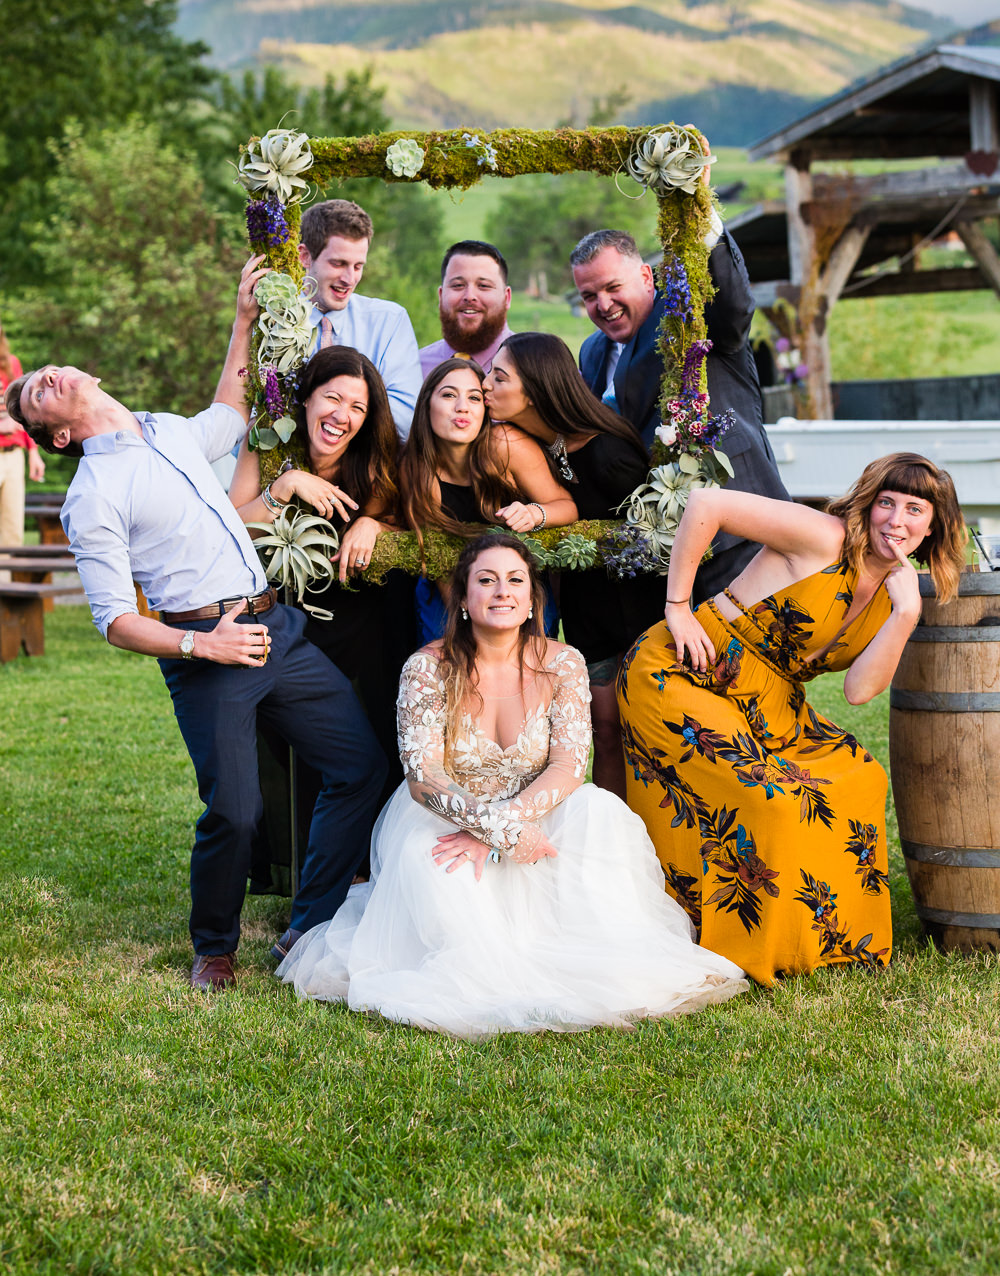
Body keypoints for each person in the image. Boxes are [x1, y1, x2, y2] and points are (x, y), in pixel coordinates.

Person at [5, 259, 388, 993]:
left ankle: (309, 923)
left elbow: (232, 412)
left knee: (361, 768)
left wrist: (243, 321)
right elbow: (115, 620)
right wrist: (200, 644)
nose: (47, 375)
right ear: (54, 437)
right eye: (33, 392)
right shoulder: (94, 492)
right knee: (237, 814)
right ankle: (214, 948)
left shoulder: (167, 430)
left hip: (278, 631)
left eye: (47, 370)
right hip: (208, 653)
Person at [276, 535, 747, 1036]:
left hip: (536, 809)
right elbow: (423, 778)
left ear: (530, 600)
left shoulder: (563, 662)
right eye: (486, 580)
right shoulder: (426, 668)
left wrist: (500, 828)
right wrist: (494, 831)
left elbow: (569, 766)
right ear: (462, 599)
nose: (502, 591)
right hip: (447, 812)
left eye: (515, 580)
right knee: (430, 864)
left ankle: (591, 950)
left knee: (601, 816)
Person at [616, 453, 967, 986]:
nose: (896, 519)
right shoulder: (823, 537)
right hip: (689, 667)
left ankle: (828, 940)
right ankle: (737, 944)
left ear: (933, 525)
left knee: (860, 778)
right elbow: (707, 503)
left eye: (913, 509)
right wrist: (678, 606)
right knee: (768, 796)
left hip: (773, 702)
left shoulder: (898, 590)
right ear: (867, 506)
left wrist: (905, 615)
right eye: (886, 503)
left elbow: (858, 690)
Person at [230, 344, 416, 817]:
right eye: (332, 398)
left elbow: (415, 527)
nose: (342, 416)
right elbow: (228, 528)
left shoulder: (378, 462)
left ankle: (361, 866)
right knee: (290, 754)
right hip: (289, 626)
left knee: (370, 745)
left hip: (366, 629)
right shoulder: (268, 444)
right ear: (307, 399)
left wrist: (374, 524)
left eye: (358, 407)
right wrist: (281, 490)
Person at [572, 227, 789, 601]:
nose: (603, 305)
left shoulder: (688, 314)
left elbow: (733, 310)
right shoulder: (591, 352)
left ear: (645, 276)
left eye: (612, 288)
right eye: (589, 296)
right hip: (660, 556)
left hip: (739, 533)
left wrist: (703, 222)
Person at [481, 332, 653, 797]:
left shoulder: (611, 453)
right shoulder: (533, 446)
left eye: (499, 376)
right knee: (604, 734)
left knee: (644, 735)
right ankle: (616, 840)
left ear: (535, 390)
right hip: (584, 615)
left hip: (640, 619)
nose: (484, 384)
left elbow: (653, 546)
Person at [399, 356, 577, 640]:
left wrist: (535, 513)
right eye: (448, 395)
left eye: (474, 398)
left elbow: (567, 506)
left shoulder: (505, 444)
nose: (462, 407)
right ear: (426, 404)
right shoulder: (415, 466)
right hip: (450, 585)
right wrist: (464, 622)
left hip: (514, 585)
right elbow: (436, 554)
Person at [299, 199, 422, 438]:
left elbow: (405, 419)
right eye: (338, 263)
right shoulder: (271, 320)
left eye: (358, 266)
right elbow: (249, 413)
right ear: (305, 256)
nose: (349, 278)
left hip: (364, 473)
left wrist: (330, 430)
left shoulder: (389, 322)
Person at [418, 240, 513, 379]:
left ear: (507, 298)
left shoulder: (534, 366)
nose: (469, 296)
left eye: (484, 285)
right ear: (440, 296)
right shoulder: (414, 370)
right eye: (457, 285)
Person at [0, 317, 45, 567]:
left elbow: (22, 411)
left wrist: (34, 454)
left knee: (12, 529)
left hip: (14, 454)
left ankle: (4, 594)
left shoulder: (10, 363)